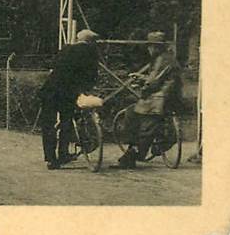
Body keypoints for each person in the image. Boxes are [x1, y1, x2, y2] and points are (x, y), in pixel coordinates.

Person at [116, 31, 183, 169]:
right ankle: (132, 152)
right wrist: (142, 77)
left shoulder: (161, 59)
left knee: (133, 115)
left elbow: (153, 82)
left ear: (156, 47)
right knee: (136, 113)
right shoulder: (167, 57)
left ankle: (134, 152)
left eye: (150, 46)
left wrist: (141, 82)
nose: (149, 49)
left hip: (159, 98)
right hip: (168, 96)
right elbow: (158, 77)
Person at [38, 29, 101, 169]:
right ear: (91, 41)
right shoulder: (91, 53)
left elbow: (53, 64)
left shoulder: (66, 49)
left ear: (78, 39)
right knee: (67, 121)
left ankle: (50, 159)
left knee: (48, 124)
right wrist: (87, 89)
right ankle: (63, 154)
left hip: (49, 90)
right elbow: (92, 76)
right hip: (67, 93)